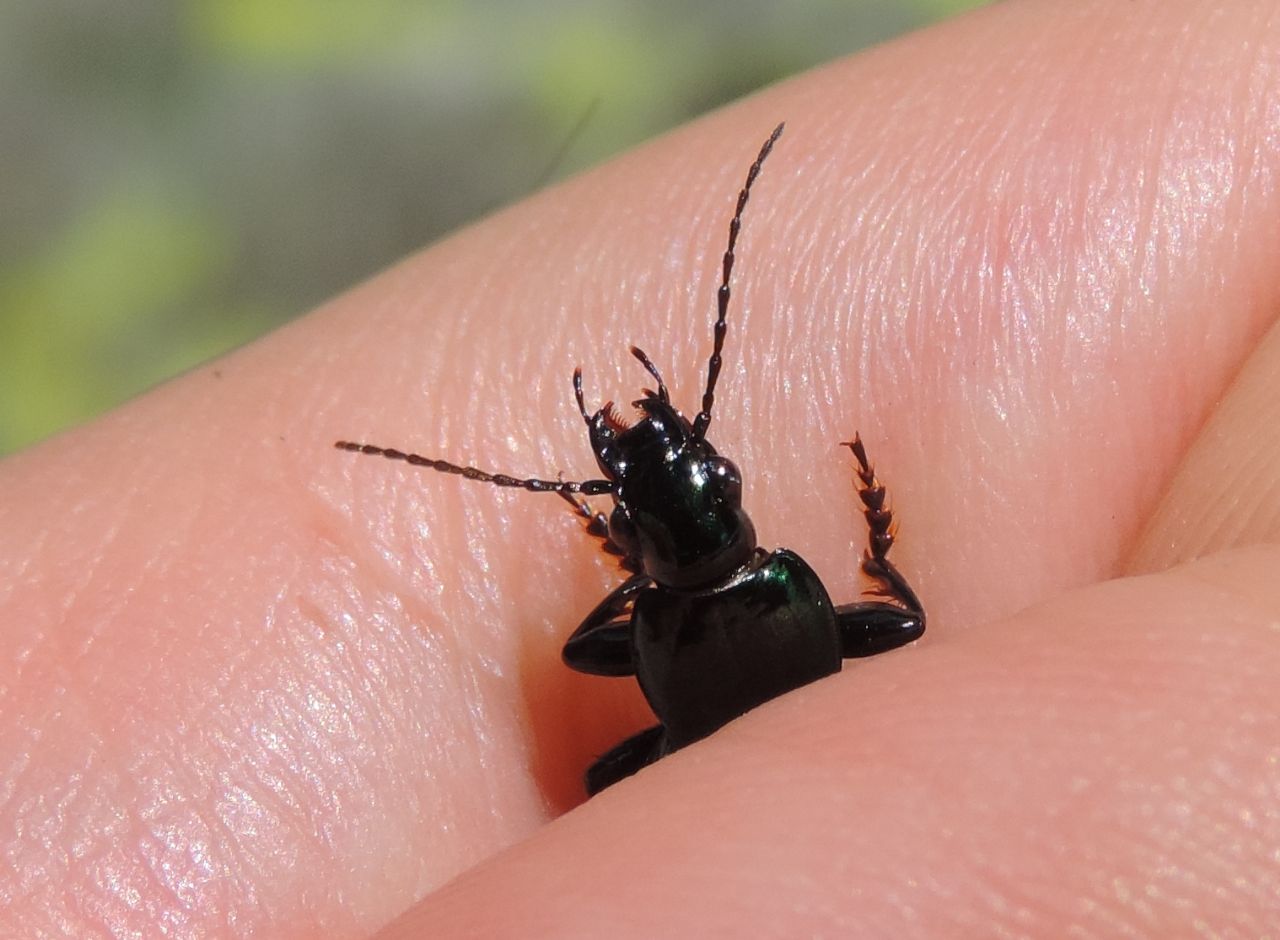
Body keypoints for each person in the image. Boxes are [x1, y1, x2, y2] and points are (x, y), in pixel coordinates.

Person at [3, 1, 1278, 934]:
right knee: (895, 630)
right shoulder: (773, 584)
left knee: (613, 771)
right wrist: (861, 539)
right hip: (796, 808)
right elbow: (893, 620)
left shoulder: (665, 625)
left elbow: (595, 669)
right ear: (725, 500)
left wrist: (630, 570)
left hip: (745, 801)